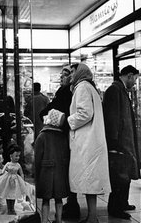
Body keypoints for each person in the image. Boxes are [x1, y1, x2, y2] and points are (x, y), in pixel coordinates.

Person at [67, 63, 111, 223]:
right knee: (90, 182)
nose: (71, 75)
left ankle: (92, 217)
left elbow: (85, 113)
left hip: (87, 141)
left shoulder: (82, 88)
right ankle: (92, 216)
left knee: (88, 180)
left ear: (80, 73)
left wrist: (68, 119)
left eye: (73, 72)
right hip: (92, 140)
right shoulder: (89, 87)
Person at [40, 66, 80, 219]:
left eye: (66, 75)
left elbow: (55, 109)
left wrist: (47, 115)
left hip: (65, 134)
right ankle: (71, 203)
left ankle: (71, 204)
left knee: (67, 168)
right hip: (66, 133)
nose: (62, 78)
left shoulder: (67, 92)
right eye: (61, 75)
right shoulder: (66, 91)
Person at [102, 65, 140, 220]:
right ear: (129, 75)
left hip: (124, 141)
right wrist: (114, 142)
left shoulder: (121, 89)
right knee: (119, 177)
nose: (135, 83)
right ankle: (115, 207)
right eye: (135, 79)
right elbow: (111, 117)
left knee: (125, 175)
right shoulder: (114, 89)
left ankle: (123, 202)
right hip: (119, 143)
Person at [34, 109, 70, 223]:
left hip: (45, 172)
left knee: (46, 199)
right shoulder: (62, 136)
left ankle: (44, 220)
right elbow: (66, 154)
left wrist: (36, 171)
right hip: (60, 170)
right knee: (59, 199)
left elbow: (37, 156)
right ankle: (59, 220)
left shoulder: (42, 136)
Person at [0, 143, 26, 215]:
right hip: (7, 180)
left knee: (13, 195)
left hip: (15, 181)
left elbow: (21, 173)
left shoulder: (18, 165)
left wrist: (22, 179)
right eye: (16, 156)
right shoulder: (8, 164)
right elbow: (3, 171)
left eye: (18, 156)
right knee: (8, 195)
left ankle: (12, 208)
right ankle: (9, 208)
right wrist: (0, 175)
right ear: (11, 156)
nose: (17, 157)